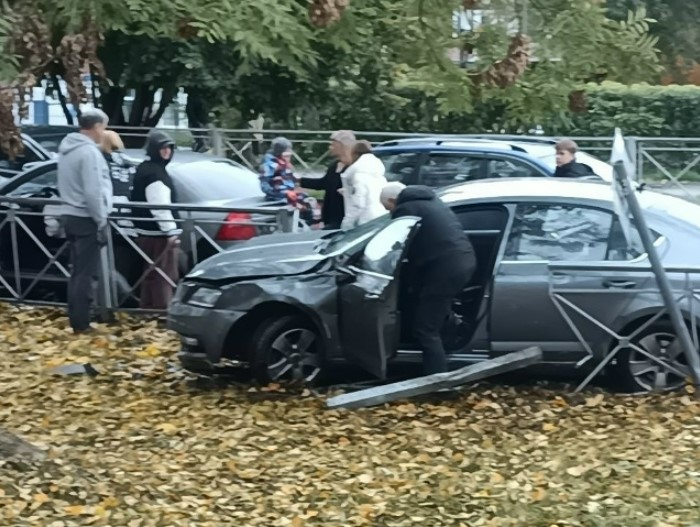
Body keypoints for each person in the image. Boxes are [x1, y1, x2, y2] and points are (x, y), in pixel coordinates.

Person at [380, 182, 477, 375]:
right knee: (434, 310)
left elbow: (396, 243)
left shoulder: (406, 210)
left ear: (392, 201)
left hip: (444, 269)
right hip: (461, 262)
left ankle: (438, 379)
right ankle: (450, 339)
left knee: (425, 329)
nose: (390, 212)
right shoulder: (432, 201)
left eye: (388, 208)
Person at [57, 108, 113, 334]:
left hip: (69, 213)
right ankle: (81, 323)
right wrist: (101, 219)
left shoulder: (66, 149)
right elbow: (93, 190)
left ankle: (76, 317)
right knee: (86, 273)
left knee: (77, 271)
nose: (104, 133)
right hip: (86, 216)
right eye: (104, 127)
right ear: (97, 126)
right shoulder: (89, 153)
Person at [130, 130, 182, 310]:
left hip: (147, 231)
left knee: (151, 274)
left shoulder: (145, 168)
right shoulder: (156, 174)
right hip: (158, 233)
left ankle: (148, 309)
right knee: (164, 275)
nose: (167, 151)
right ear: (154, 149)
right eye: (163, 148)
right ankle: (161, 311)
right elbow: (160, 206)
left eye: (169, 148)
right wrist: (170, 232)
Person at [300, 130, 355, 230]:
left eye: (333, 144)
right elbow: (324, 183)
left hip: (344, 219)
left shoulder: (353, 167)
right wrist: (299, 181)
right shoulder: (335, 165)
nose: (330, 148)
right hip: (330, 217)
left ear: (342, 145)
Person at [260, 137, 316, 224]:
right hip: (277, 195)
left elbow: (290, 178)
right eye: (287, 150)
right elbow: (265, 185)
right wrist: (282, 192)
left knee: (305, 198)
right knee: (298, 202)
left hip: (287, 192)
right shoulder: (270, 165)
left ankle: (307, 220)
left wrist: (295, 183)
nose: (290, 152)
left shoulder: (284, 163)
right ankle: (301, 222)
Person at [340, 140, 388, 230]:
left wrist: (346, 226)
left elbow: (358, 204)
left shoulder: (358, 177)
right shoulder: (378, 174)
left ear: (355, 154)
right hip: (380, 217)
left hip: (365, 222)